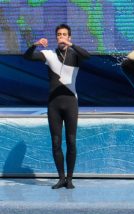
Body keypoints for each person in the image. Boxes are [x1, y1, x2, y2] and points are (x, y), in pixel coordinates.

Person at [23, 23, 90, 189]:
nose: (61, 37)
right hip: (54, 104)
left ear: (69, 37)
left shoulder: (75, 54)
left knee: (71, 141)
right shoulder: (49, 54)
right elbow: (27, 57)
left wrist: (71, 45)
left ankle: (70, 179)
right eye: (59, 34)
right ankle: (61, 178)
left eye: (64, 34)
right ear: (56, 37)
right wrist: (35, 45)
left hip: (71, 103)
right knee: (56, 142)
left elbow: (87, 56)